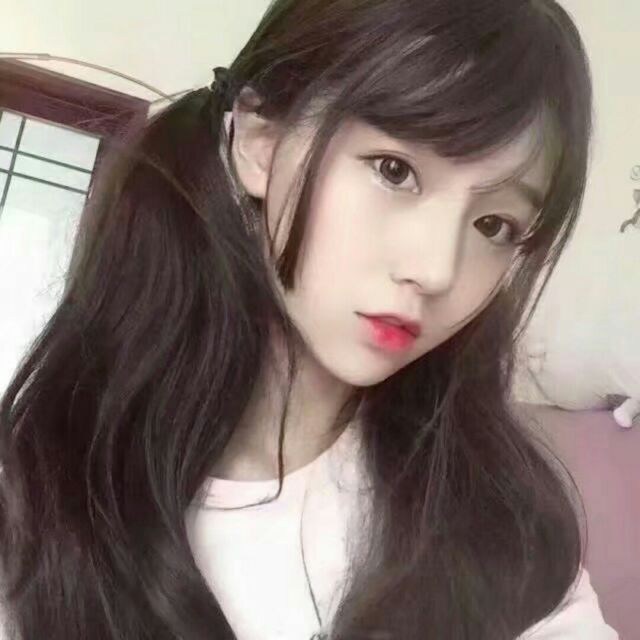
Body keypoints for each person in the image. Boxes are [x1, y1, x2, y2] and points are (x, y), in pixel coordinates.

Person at [0, 0, 619, 638]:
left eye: (495, 225)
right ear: (261, 140)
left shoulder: (504, 528)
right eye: (395, 171)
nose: (436, 270)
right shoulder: (44, 501)